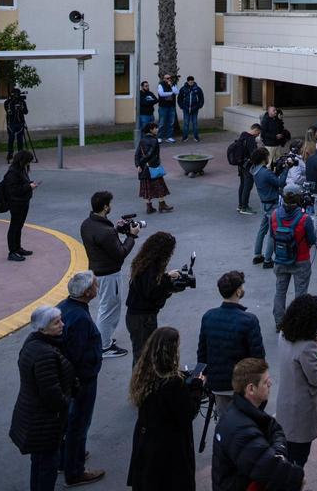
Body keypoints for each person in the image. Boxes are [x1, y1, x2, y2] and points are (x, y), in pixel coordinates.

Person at [126, 327, 204, 491]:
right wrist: (197, 387)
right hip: (168, 448)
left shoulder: (145, 373)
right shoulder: (173, 383)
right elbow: (187, 413)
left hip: (146, 441)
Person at [212, 358, 305, 491]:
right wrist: (297, 478)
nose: (270, 384)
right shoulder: (241, 430)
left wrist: (277, 453)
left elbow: (275, 429)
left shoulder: (242, 409)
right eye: (266, 382)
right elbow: (272, 470)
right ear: (251, 389)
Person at [9, 306, 75, 491]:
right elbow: (51, 393)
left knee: (39, 462)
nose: (62, 325)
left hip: (33, 417)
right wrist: (66, 402)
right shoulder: (45, 354)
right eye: (56, 323)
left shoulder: (33, 344)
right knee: (47, 465)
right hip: (44, 422)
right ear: (42, 329)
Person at [273, 294, 317, 466]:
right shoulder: (307, 347)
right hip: (301, 412)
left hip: (285, 404)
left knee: (286, 452)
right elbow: (316, 378)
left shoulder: (284, 334)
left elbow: (297, 353)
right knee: (298, 459)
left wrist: (316, 341)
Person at [57, 272, 106, 487]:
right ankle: (75, 471)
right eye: (95, 285)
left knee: (69, 421)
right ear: (87, 292)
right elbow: (76, 354)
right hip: (82, 381)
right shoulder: (79, 318)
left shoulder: (66, 307)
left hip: (72, 380)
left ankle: (65, 458)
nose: (97, 286)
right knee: (79, 423)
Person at [80, 190, 140, 358]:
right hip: (109, 274)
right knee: (109, 309)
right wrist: (131, 236)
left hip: (97, 270)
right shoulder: (105, 231)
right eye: (110, 204)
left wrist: (116, 230)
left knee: (105, 306)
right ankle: (104, 347)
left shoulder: (87, 223)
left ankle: (103, 340)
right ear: (106, 207)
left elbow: (103, 242)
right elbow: (120, 253)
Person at [198, 270, 265, 412]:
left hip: (218, 385)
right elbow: (258, 358)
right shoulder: (249, 320)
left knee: (224, 421)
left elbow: (202, 352)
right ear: (238, 291)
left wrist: (206, 376)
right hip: (241, 385)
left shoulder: (208, 316)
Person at [124, 231, 180, 366]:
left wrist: (166, 276)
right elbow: (152, 292)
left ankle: (139, 384)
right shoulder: (151, 268)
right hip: (143, 318)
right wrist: (168, 285)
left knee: (141, 353)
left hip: (136, 315)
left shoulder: (143, 262)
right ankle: (140, 385)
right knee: (144, 357)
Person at [271, 184, 316, 326]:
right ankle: (299, 324)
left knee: (280, 291)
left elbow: (272, 235)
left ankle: (279, 322)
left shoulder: (274, 215)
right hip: (301, 260)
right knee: (301, 294)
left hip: (280, 259)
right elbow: (313, 240)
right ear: (299, 199)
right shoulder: (304, 218)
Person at [2, 150, 38, 262]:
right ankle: (12, 251)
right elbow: (13, 190)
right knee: (14, 227)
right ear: (22, 160)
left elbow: (21, 184)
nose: (29, 164)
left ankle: (18, 248)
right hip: (16, 203)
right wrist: (29, 187)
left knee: (19, 226)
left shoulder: (21, 169)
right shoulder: (12, 172)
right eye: (28, 162)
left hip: (23, 202)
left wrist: (30, 183)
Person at [134, 122, 173, 214]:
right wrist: (143, 162)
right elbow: (150, 154)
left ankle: (149, 207)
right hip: (153, 167)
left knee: (147, 188)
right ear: (151, 129)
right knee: (159, 186)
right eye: (156, 128)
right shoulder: (154, 140)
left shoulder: (142, 140)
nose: (157, 129)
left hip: (143, 169)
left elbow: (137, 154)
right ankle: (162, 205)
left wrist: (138, 165)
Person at [252, 147, 281, 268]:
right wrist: (284, 171)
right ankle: (268, 260)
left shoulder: (255, 170)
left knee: (262, 230)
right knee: (273, 233)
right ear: (264, 158)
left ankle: (257, 255)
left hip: (264, 204)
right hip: (272, 204)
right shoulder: (265, 172)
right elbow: (279, 183)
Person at [233, 123, 262, 217]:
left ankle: (240, 205)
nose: (258, 135)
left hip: (241, 165)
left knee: (242, 185)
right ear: (256, 130)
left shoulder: (243, 136)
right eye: (258, 133)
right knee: (247, 186)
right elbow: (254, 155)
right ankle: (244, 207)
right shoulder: (251, 140)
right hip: (248, 167)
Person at [5, 86, 30, 163]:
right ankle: (10, 153)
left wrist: (21, 108)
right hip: (11, 124)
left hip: (20, 123)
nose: (17, 96)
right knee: (11, 139)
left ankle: (20, 155)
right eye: (15, 94)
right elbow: (9, 112)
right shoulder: (8, 102)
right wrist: (14, 106)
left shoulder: (22, 102)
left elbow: (26, 112)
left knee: (20, 140)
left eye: (18, 94)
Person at [177, 76, 204, 143]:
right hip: (186, 109)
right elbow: (179, 99)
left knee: (195, 123)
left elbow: (201, 98)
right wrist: (182, 106)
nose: (191, 82)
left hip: (195, 109)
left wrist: (199, 106)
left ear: (193, 81)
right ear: (187, 81)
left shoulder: (198, 89)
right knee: (186, 123)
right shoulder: (183, 89)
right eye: (189, 81)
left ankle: (196, 137)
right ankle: (185, 137)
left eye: (192, 81)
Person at [155, 74, 177, 142]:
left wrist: (171, 86)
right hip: (163, 107)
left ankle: (169, 137)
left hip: (171, 107)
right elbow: (161, 94)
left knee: (171, 122)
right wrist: (171, 93)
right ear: (164, 79)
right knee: (162, 123)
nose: (169, 79)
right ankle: (159, 137)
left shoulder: (173, 85)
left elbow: (176, 92)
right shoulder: (160, 85)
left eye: (170, 78)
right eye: (167, 78)